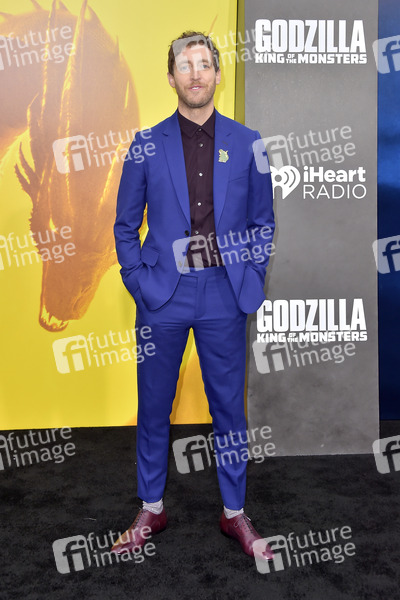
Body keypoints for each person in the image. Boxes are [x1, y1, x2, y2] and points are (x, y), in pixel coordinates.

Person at [112, 31, 275, 561]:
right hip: (163, 295)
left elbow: (262, 224)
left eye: (205, 64)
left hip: (225, 294)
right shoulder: (145, 144)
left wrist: (250, 275)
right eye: (186, 65)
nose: (197, 73)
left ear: (218, 75)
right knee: (153, 405)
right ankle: (151, 507)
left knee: (228, 409)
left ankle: (234, 513)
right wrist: (139, 282)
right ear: (171, 77)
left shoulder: (249, 143)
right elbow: (124, 225)